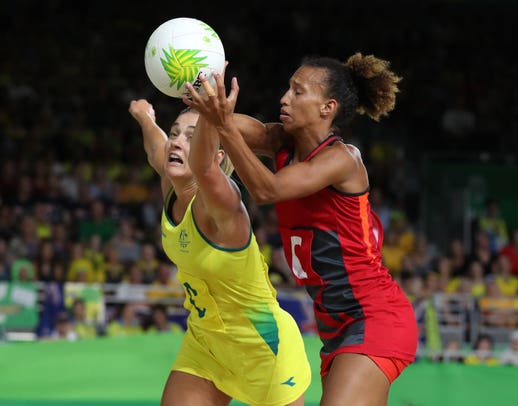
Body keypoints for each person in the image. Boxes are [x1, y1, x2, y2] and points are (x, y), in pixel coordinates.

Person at [185, 54, 418, 405]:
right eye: (287, 89)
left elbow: (267, 190)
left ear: (327, 107)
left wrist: (223, 123)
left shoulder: (342, 160)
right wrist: (205, 99)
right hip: (336, 326)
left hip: (375, 318)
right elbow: (224, 123)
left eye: (297, 92)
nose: (284, 98)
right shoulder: (281, 141)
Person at [128, 99, 310, 406]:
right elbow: (155, 148)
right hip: (206, 343)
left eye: (191, 136)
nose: (177, 142)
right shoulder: (172, 183)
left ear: (217, 155)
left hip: (262, 347)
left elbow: (205, 168)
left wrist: (213, 107)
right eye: (176, 133)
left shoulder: (225, 204)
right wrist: (145, 117)